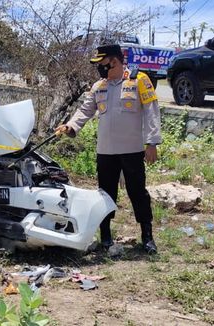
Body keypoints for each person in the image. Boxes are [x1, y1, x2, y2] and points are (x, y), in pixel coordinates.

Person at [55, 44, 162, 254]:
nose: (100, 70)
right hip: (106, 151)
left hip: (131, 150)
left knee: (137, 193)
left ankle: (147, 237)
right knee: (105, 194)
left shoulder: (139, 80)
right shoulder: (99, 86)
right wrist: (71, 125)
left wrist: (152, 143)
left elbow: (151, 111)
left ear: (114, 61)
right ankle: (105, 236)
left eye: (103, 65)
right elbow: (85, 110)